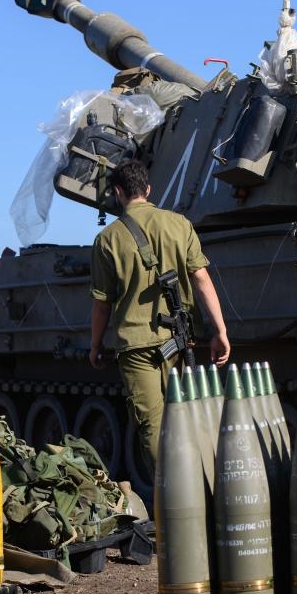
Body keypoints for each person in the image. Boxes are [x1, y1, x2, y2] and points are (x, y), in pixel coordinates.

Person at [89, 160, 230, 473]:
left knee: (153, 424)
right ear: (149, 189)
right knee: (188, 416)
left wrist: (95, 345)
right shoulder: (180, 224)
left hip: (136, 347)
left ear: (117, 192)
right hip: (180, 341)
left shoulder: (107, 239)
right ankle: (198, 486)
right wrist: (220, 330)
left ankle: (171, 493)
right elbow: (201, 278)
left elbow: (102, 304)